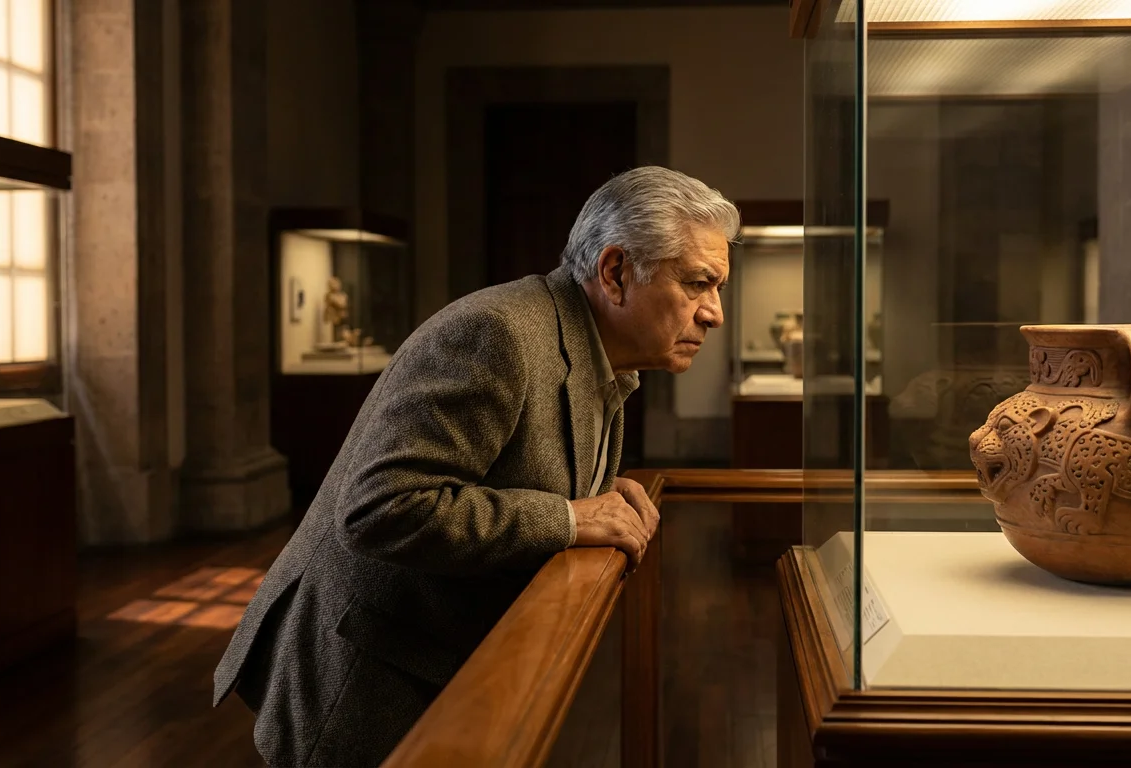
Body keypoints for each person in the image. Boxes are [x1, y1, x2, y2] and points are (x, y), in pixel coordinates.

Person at [212, 165, 739, 767]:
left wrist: (591, 486)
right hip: (372, 683)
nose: (715, 313)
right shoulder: (497, 334)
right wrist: (567, 515)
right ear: (615, 273)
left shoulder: (600, 346)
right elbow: (382, 507)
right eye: (698, 284)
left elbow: (503, 462)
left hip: (444, 670)